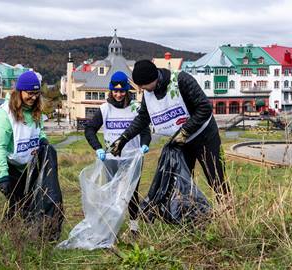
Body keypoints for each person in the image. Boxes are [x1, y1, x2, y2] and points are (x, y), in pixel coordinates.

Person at [110, 60, 230, 200]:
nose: (142, 89)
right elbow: (143, 118)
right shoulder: (149, 93)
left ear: (152, 78)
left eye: (143, 86)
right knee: (181, 180)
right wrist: (124, 138)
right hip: (181, 141)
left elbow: (204, 108)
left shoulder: (181, 80)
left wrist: (185, 131)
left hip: (204, 136)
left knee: (216, 177)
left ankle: (227, 211)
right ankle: (188, 214)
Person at [0, 71, 63, 239]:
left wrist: (43, 141)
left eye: (36, 93)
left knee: (26, 201)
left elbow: (39, 132)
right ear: (19, 92)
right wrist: (3, 176)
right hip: (3, 162)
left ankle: (22, 235)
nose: (34, 97)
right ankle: (7, 236)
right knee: (16, 202)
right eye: (30, 93)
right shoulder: (5, 113)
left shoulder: (36, 111)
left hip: (23, 164)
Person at [84, 71, 151, 235]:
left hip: (132, 158)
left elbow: (145, 131)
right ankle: (111, 227)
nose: (119, 94)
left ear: (127, 90)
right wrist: (98, 148)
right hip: (111, 159)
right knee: (112, 192)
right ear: (111, 90)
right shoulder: (105, 109)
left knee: (131, 193)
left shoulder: (136, 108)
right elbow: (89, 129)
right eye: (115, 91)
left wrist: (144, 145)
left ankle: (134, 226)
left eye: (122, 91)